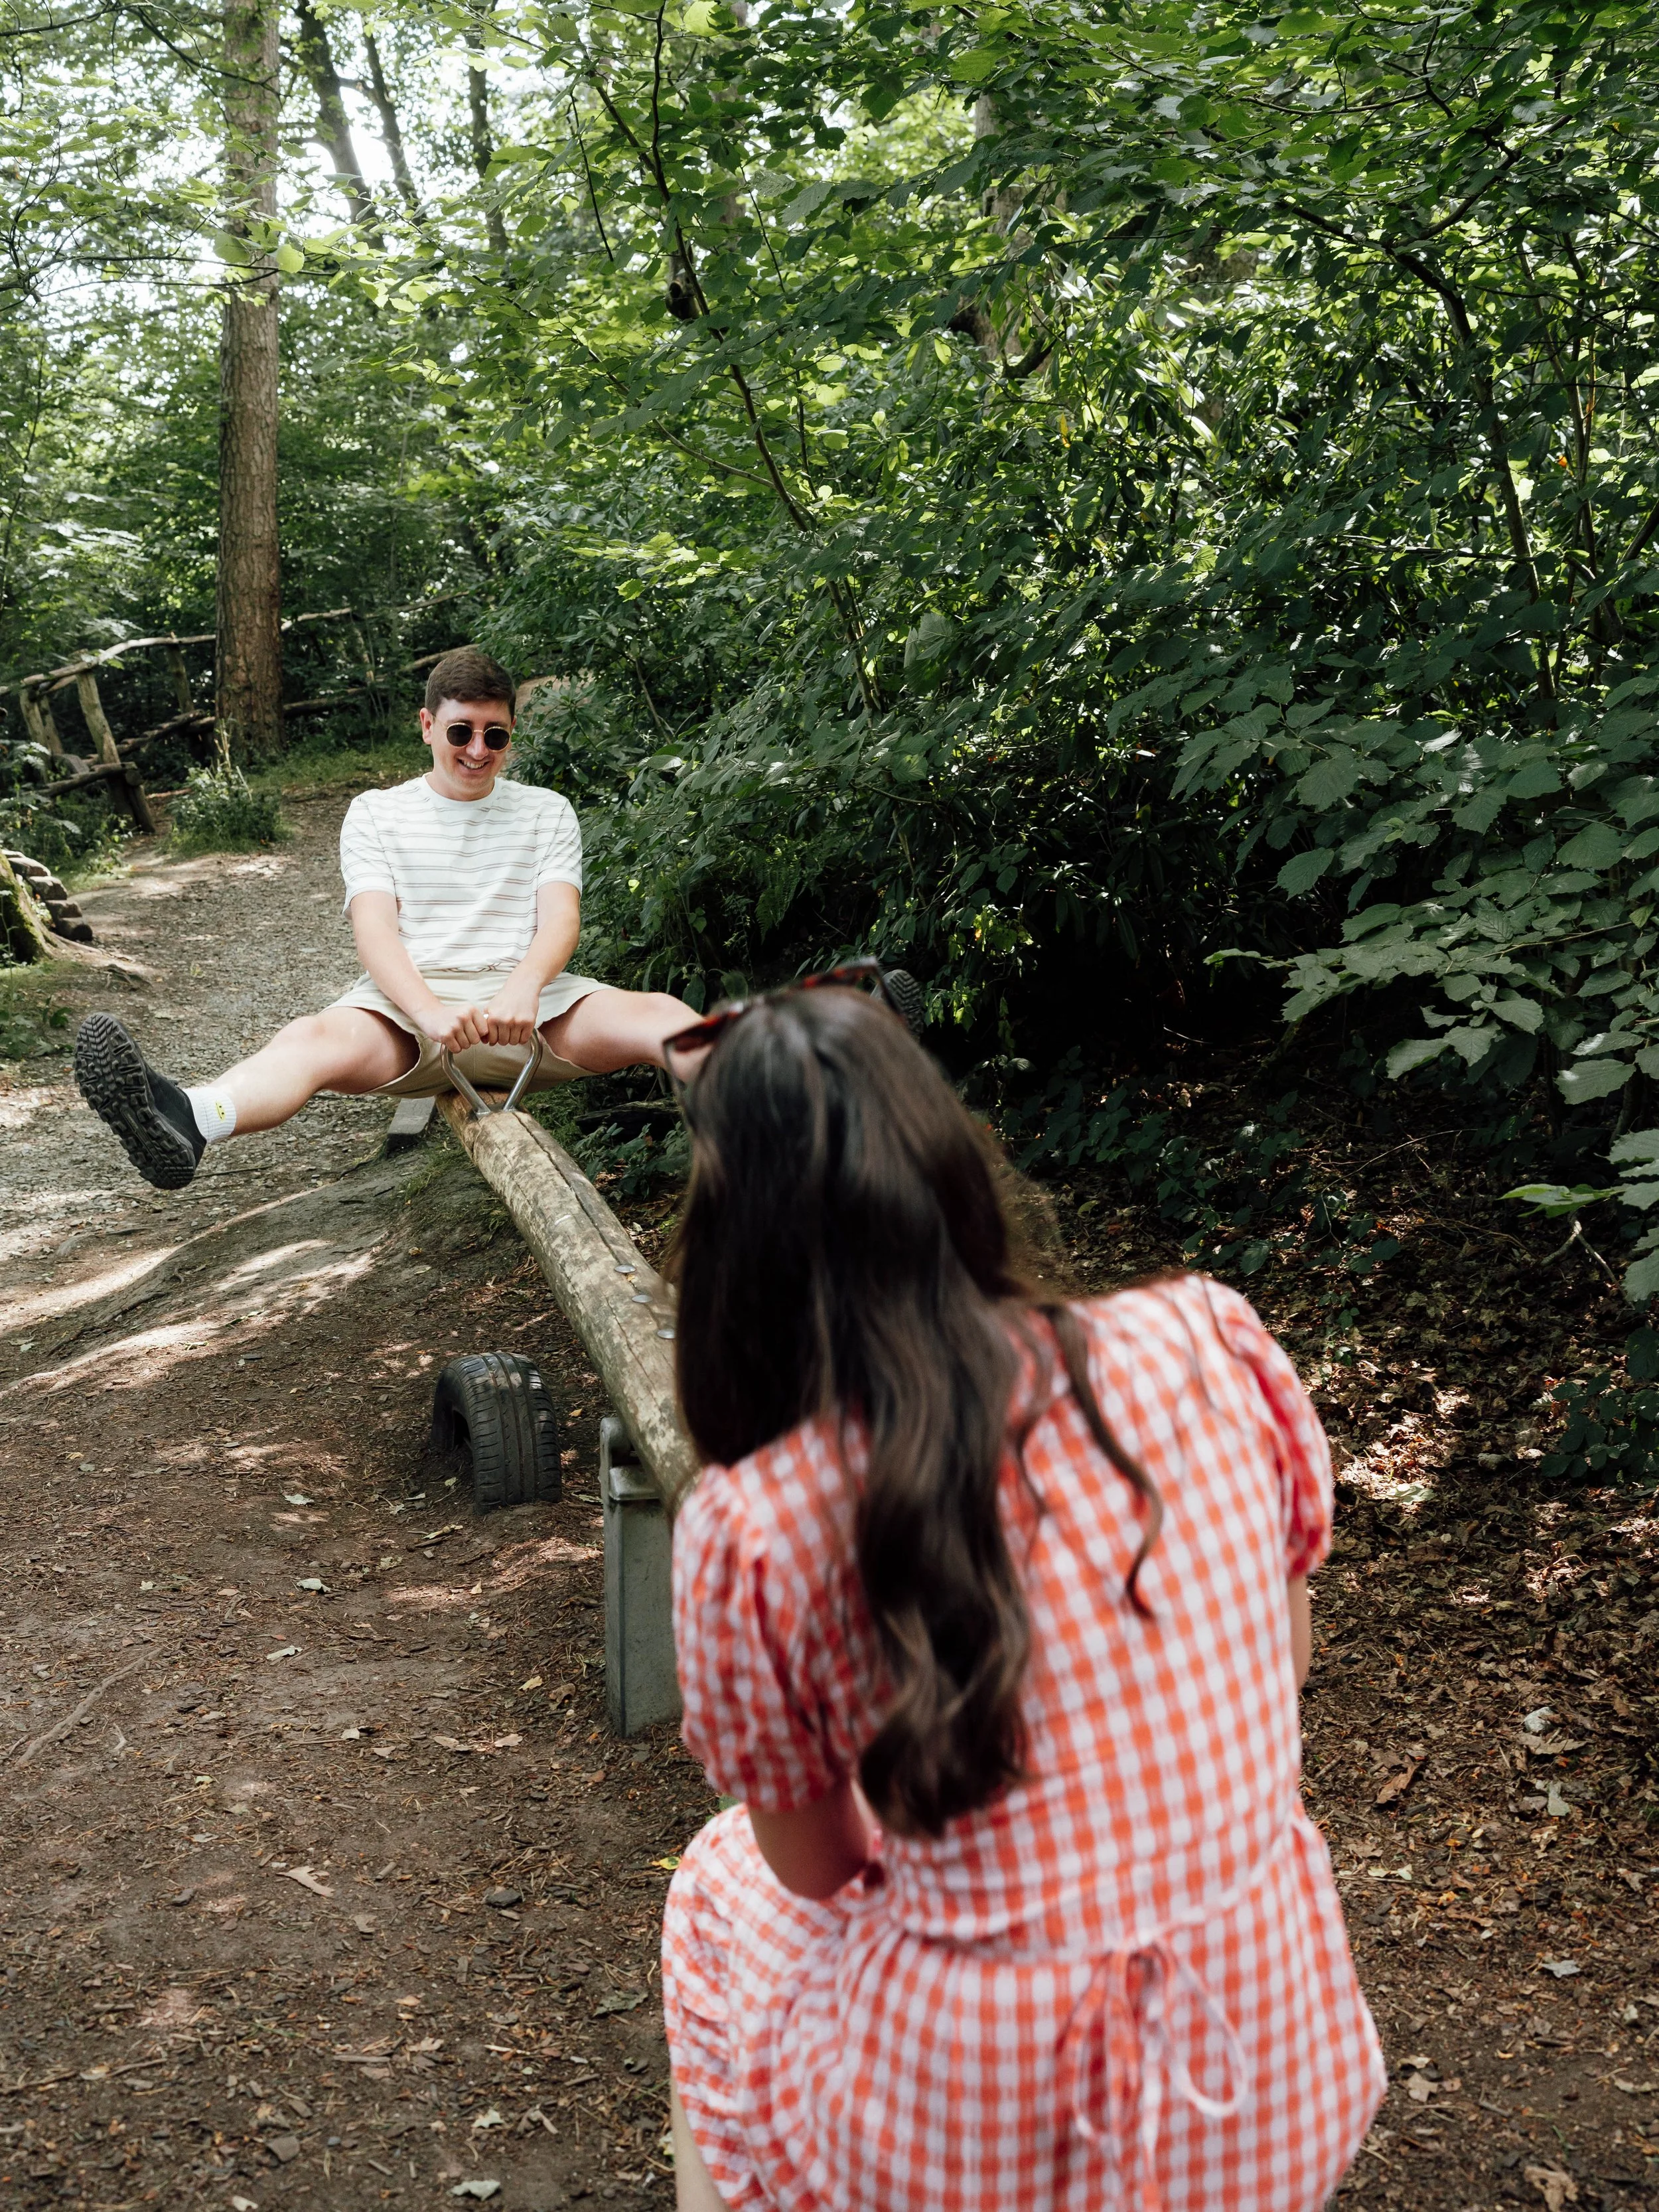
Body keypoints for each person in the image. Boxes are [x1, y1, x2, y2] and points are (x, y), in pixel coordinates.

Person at [655, 978, 1385, 2212]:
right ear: (952, 1167)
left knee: (717, 1878)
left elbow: (821, 1866)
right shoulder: (1207, 1334)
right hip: (1274, 2063)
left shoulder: (756, 1523)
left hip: (981, 2128)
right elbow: (1287, 1656)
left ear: (738, 1251)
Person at [74, 647, 693, 1190]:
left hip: (533, 1009)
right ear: (427, 726)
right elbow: (375, 932)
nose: (478, 750)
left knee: (663, 1016)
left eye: (494, 735)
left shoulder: (546, 810)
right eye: (460, 732)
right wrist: (429, 1012)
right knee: (309, 1038)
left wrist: (523, 988)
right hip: (409, 1014)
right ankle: (190, 1119)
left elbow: (560, 919)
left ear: (510, 734)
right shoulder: (375, 813)